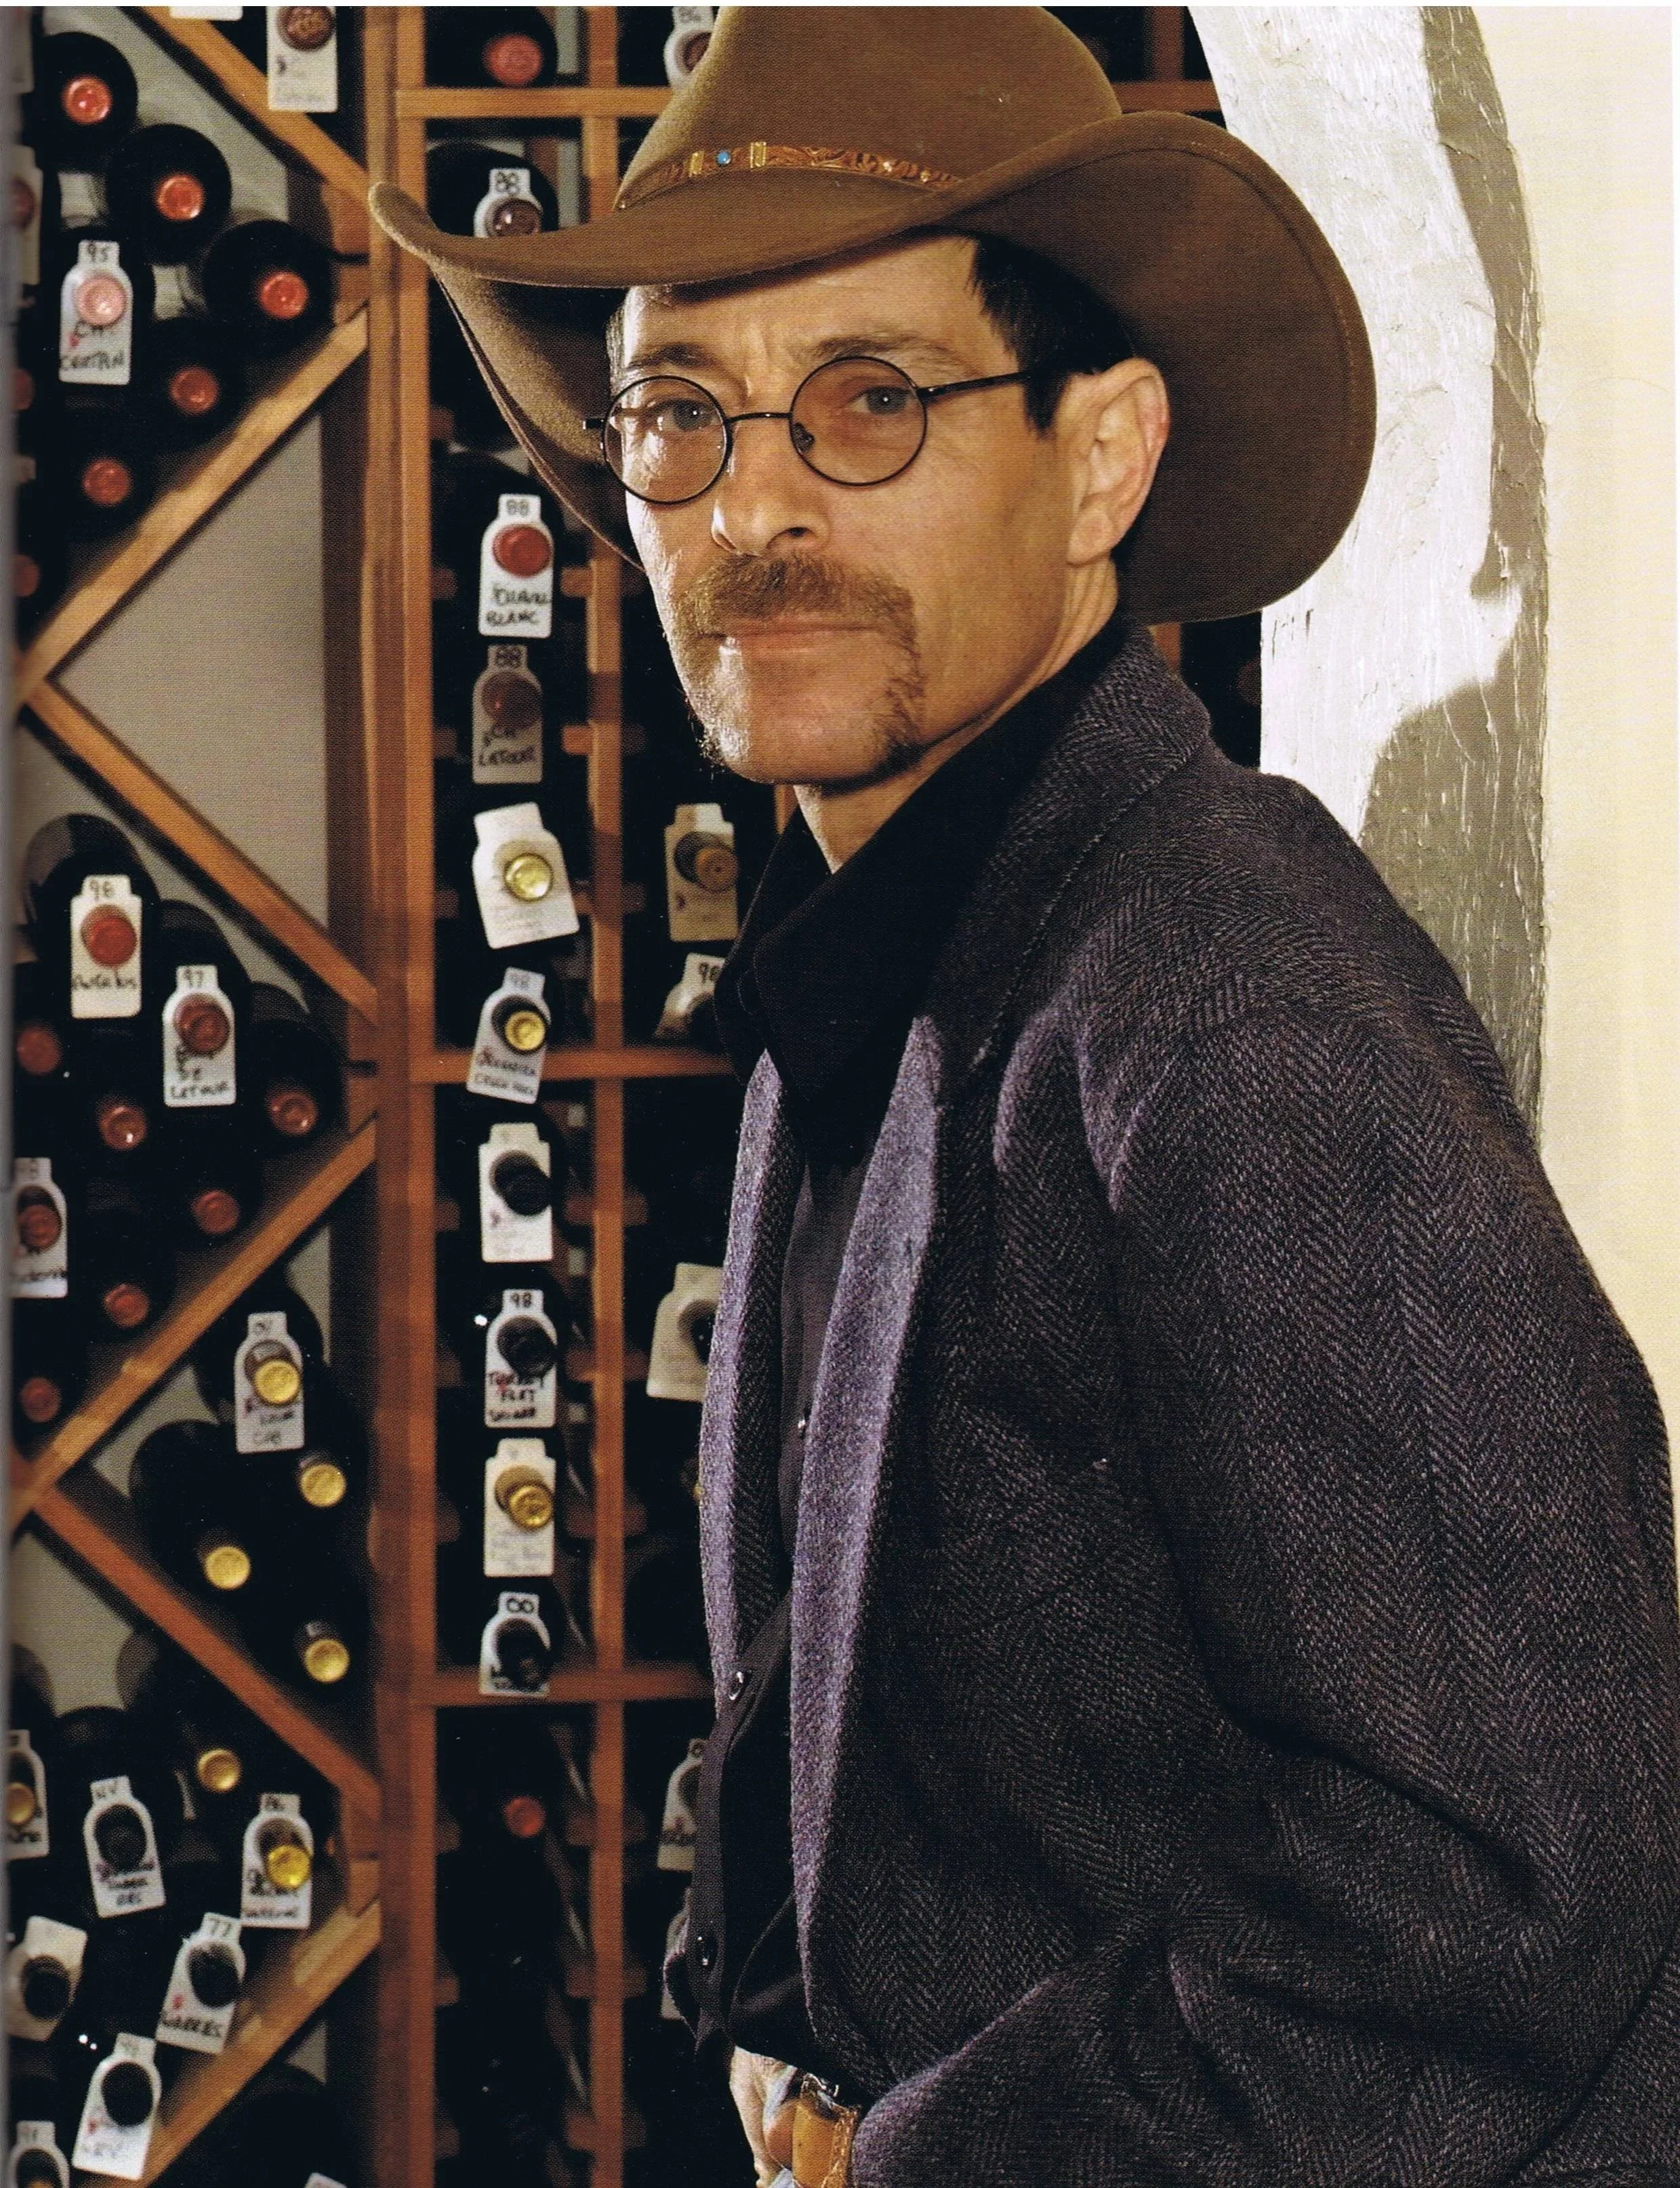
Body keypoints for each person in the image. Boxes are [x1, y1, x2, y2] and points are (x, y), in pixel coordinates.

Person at [373, 11, 1680, 2184]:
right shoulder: (893, 935)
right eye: (677, 417)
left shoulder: (1232, 1016)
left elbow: (1504, 1859)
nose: (756, 500)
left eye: (869, 403)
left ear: (1101, 459)